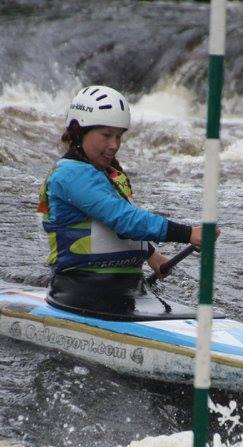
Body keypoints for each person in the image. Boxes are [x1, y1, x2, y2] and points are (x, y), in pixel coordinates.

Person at [37, 85, 207, 319]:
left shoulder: (105, 172)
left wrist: (150, 255)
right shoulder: (70, 175)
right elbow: (124, 219)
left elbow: (108, 223)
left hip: (128, 291)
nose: (114, 145)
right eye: (106, 135)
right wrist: (187, 234)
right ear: (79, 131)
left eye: (118, 136)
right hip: (81, 293)